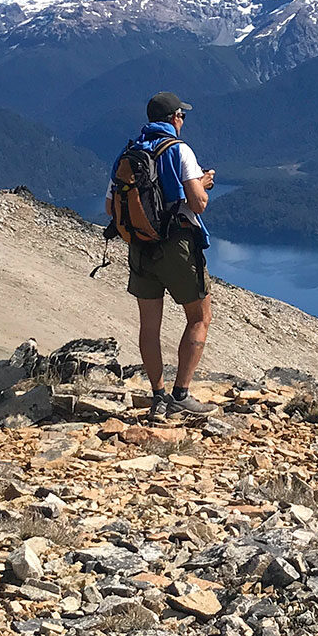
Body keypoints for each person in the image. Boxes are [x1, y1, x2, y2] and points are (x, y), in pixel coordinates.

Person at [106, 92, 216, 420]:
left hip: (140, 247)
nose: (183, 121)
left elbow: (111, 207)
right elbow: (197, 204)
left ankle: (157, 397)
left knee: (149, 326)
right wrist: (203, 184)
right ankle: (180, 394)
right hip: (177, 246)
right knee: (199, 317)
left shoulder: (128, 153)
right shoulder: (179, 150)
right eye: (182, 115)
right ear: (174, 118)